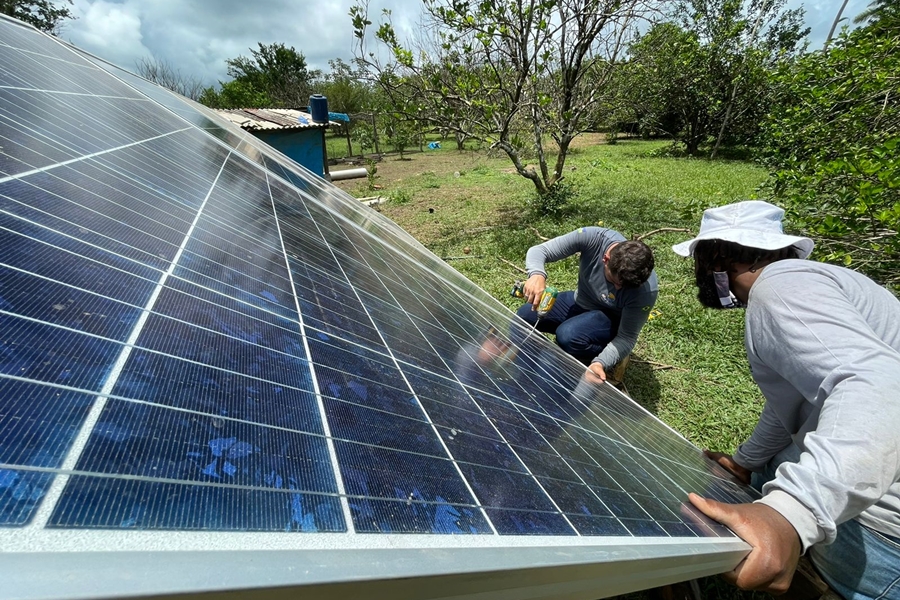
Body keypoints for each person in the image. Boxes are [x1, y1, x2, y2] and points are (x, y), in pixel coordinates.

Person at [672, 200, 900, 599]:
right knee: (768, 469)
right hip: (877, 476)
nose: (698, 275)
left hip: (884, 530)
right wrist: (746, 460)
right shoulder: (825, 282)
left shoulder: (781, 287)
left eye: (699, 259)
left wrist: (793, 513)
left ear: (718, 258)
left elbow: (881, 383)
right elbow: (794, 401)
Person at [518, 226, 657, 383]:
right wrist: (537, 274)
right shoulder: (593, 238)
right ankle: (529, 366)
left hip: (610, 318)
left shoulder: (646, 291)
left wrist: (600, 362)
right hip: (581, 301)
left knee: (568, 336)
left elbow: (627, 336)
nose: (617, 289)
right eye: (613, 281)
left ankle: (602, 353)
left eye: (625, 287)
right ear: (605, 259)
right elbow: (539, 250)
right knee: (525, 316)